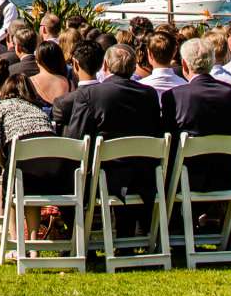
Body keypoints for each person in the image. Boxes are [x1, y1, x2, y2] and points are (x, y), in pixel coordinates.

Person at [59, 43, 173, 213]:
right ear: (134, 67)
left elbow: (77, 139)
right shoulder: (148, 94)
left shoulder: (90, 94)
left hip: (105, 178)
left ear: (105, 65)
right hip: (144, 177)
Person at [166, 35, 231, 197]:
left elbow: (168, 137)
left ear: (184, 64)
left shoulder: (174, 96)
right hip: (228, 176)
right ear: (212, 63)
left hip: (187, 178)